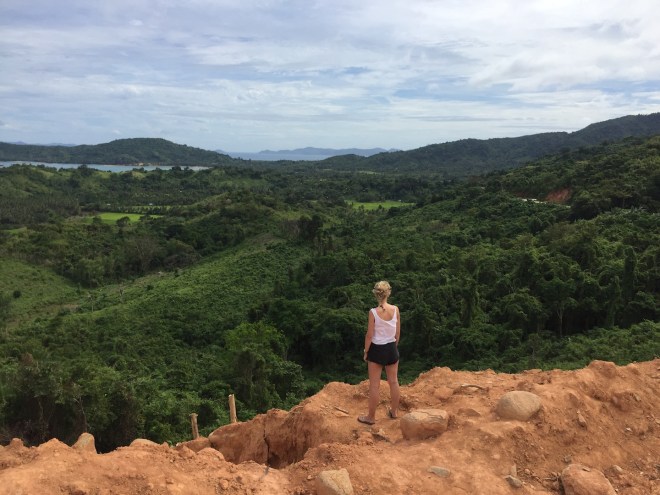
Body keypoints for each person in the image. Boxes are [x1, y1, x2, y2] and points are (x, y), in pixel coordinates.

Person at [358, 280, 400, 425]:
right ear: (388, 293)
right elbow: (397, 333)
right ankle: (394, 412)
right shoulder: (395, 309)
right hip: (391, 348)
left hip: (376, 350)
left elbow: (369, 335)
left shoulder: (373, 313)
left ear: (376, 294)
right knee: (393, 382)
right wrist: (393, 347)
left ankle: (371, 417)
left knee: (374, 385)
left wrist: (366, 351)